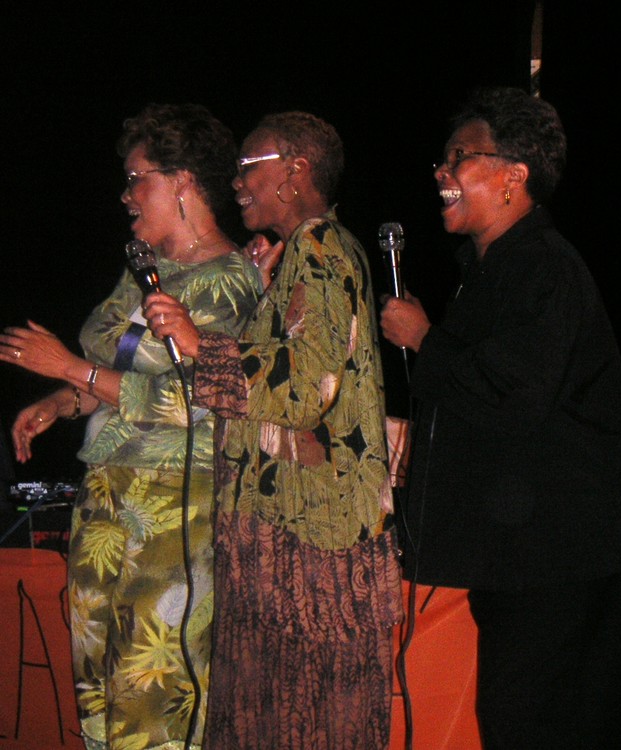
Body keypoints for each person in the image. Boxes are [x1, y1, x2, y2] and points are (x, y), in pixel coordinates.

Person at [379, 85, 621, 749]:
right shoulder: (491, 270)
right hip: (536, 551)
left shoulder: (542, 266)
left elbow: (515, 397)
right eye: (442, 160)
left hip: (568, 553)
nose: (442, 173)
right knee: (529, 721)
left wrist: (426, 340)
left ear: (514, 175)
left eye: (460, 157)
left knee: (536, 723)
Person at [0, 103, 260, 749]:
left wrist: (70, 369)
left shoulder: (232, 281)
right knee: (95, 682)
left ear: (183, 181)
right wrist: (64, 400)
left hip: (174, 506)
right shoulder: (141, 270)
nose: (125, 195)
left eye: (136, 178)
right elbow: (114, 368)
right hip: (105, 493)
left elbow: (198, 403)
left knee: (153, 687)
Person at [142, 111, 401, 750]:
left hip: (310, 552)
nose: (235, 183)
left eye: (247, 167)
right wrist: (264, 301)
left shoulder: (321, 246)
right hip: (290, 540)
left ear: (294, 172)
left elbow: (309, 385)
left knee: (302, 722)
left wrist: (200, 344)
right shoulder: (307, 255)